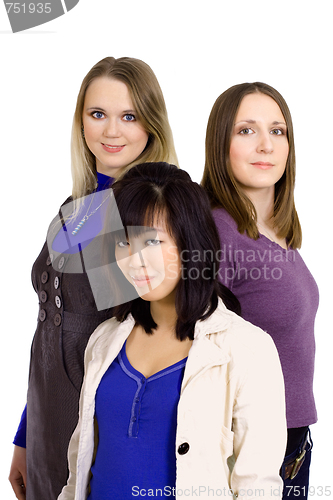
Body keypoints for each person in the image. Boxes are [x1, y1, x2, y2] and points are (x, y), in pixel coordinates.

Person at [58, 162, 286, 500]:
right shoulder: (104, 339)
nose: (135, 260)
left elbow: (258, 487)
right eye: (123, 243)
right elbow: (79, 467)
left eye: (152, 240)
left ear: (191, 243)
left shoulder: (248, 349)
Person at [9, 57, 178, 500]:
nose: (111, 131)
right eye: (97, 114)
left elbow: (158, 342)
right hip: (50, 415)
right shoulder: (79, 204)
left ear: (152, 125)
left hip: (102, 429)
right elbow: (52, 327)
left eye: (129, 116)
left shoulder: (153, 213)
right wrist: (26, 435)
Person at [201, 82, 319, 500]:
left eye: (278, 131)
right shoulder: (218, 234)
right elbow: (193, 354)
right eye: (246, 131)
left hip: (291, 439)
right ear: (220, 144)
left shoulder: (279, 235)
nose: (266, 145)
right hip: (247, 447)